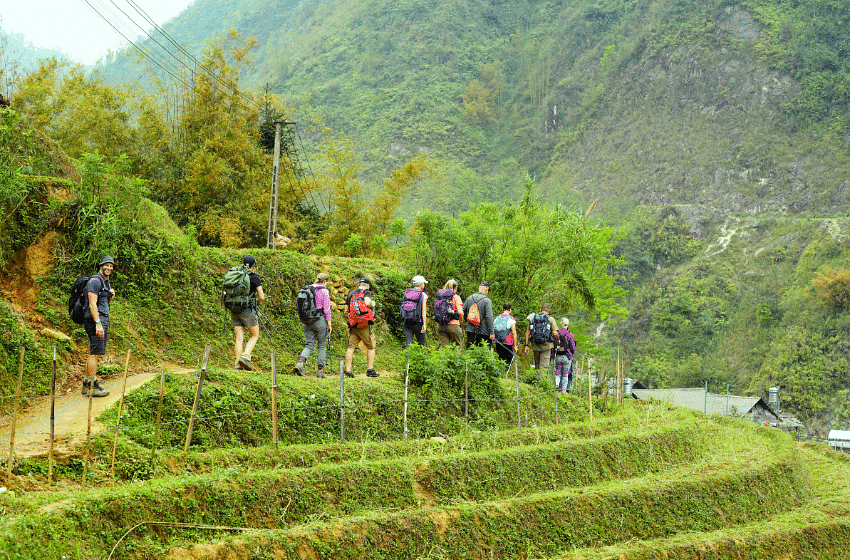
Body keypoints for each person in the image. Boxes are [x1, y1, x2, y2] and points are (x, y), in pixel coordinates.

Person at [82, 256, 116, 397]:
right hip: (96, 321)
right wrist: (98, 324)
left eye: (111, 266)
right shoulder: (95, 281)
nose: (109, 268)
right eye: (106, 265)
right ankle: (91, 387)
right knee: (94, 354)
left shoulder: (104, 282)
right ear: (101, 266)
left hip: (101, 320)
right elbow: (92, 304)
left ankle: (87, 383)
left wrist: (110, 296)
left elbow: (102, 302)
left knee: (95, 353)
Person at [295, 272, 333, 378]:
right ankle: (320, 371)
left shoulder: (308, 289)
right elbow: (327, 309)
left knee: (309, 345)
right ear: (324, 281)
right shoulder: (324, 291)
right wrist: (329, 323)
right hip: (319, 320)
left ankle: (300, 363)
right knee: (321, 345)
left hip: (307, 320)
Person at [232, 254, 265, 371]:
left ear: (243, 263)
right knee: (254, 335)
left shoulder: (235, 275)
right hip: (247, 310)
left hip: (234, 309)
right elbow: (261, 296)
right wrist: (257, 303)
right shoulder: (254, 277)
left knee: (239, 338)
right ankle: (245, 356)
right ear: (253, 265)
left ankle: (237, 364)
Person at [345, 278, 378, 378]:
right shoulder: (366, 292)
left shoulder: (351, 293)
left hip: (353, 324)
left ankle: (348, 370)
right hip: (364, 325)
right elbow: (367, 302)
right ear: (367, 286)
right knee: (371, 347)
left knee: (351, 348)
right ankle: (370, 370)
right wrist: (373, 303)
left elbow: (346, 310)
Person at [524, 303, 559, 371]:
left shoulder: (533, 318)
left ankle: (536, 379)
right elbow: (555, 333)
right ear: (548, 311)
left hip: (535, 345)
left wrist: (526, 345)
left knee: (537, 366)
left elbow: (527, 332)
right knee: (544, 367)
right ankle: (541, 381)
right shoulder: (550, 319)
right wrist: (557, 340)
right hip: (547, 346)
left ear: (540, 310)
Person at [463, 281, 494, 348]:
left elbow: (462, 312)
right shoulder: (487, 301)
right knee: (483, 354)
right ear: (486, 289)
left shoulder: (469, 298)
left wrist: (468, 319)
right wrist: (491, 332)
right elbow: (489, 317)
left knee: (470, 352)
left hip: (470, 330)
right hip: (483, 332)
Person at [435, 279, 464, 348]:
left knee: (444, 348)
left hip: (441, 325)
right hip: (453, 325)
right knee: (456, 347)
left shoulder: (440, 297)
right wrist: (461, 319)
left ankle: (443, 359)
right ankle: (456, 359)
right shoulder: (456, 297)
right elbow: (460, 312)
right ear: (455, 288)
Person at [400, 275, 428, 347]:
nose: (424, 285)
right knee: (422, 344)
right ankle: (421, 358)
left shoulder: (407, 292)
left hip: (407, 321)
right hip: (418, 322)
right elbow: (423, 309)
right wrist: (424, 324)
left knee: (408, 343)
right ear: (421, 284)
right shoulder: (423, 294)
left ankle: (408, 358)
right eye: (424, 283)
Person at [554, 317, 577, 393]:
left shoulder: (556, 333)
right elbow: (573, 348)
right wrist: (571, 353)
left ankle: (556, 384)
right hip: (567, 357)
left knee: (558, 373)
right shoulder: (569, 334)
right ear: (567, 325)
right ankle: (563, 391)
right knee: (565, 375)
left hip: (558, 356)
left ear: (561, 324)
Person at [493, 302, 518, 368]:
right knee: (508, 361)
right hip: (508, 343)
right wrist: (515, 346)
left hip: (498, 342)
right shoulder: (511, 319)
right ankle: (504, 375)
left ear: (503, 309)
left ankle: (500, 375)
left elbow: (493, 329)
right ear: (509, 310)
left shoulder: (496, 318)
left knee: (500, 359)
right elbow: (514, 333)